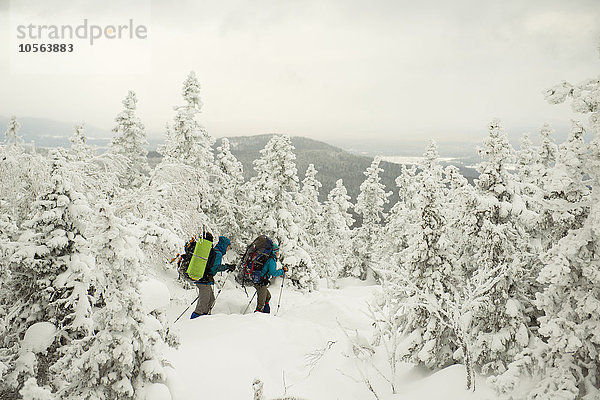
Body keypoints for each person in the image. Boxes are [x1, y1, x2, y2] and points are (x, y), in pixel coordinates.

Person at [191, 235, 236, 318]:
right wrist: (226, 267)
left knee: (211, 300)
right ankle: (194, 321)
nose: (228, 249)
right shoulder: (217, 253)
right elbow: (214, 267)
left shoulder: (214, 251)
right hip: (204, 280)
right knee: (203, 304)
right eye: (228, 247)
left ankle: (204, 319)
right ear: (224, 245)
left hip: (204, 279)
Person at [254, 243, 288, 313]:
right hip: (260, 282)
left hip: (259, 280)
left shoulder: (268, 257)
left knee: (268, 296)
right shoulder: (271, 260)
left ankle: (266, 314)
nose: (278, 253)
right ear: (274, 252)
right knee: (261, 303)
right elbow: (273, 273)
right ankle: (257, 317)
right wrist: (282, 271)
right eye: (277, 251)